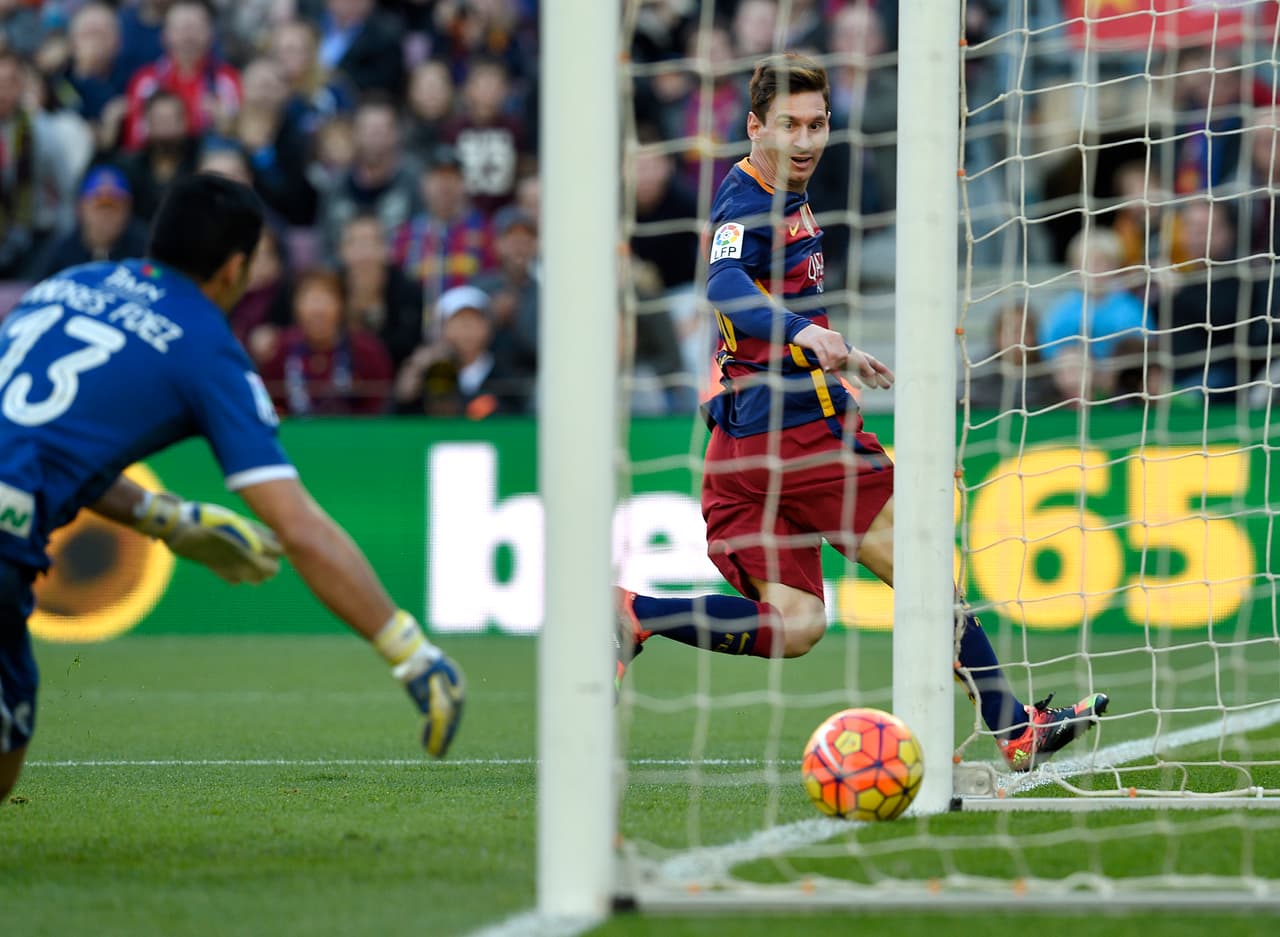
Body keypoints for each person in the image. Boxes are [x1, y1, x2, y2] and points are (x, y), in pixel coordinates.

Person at [613, 54, 1108, 773]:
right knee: (927, 570)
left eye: (818, 124)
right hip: (801, 437)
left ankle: (636, 613)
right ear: (755, 126)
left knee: (798, 624)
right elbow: (723, 281)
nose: (807, 141)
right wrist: (801, 334)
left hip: (743, 451)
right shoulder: (751, 200)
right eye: (790, 126)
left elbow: (765, 301)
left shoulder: (776, 189)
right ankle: (1013, 727)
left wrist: (831, 350)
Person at [0, 173, 464, 802]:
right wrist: (410, 651)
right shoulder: (204, 347)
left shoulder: (66, 283)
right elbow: (298, 528)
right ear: (236, 267)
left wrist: (164, 518)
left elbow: (40, 446)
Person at [30, 164, 149, 280]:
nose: (106, 216)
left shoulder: (143, 250)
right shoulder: (60, 251)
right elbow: (38, 288)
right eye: (99, 206)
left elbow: (157, 275)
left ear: (128, 210)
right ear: (80, 209)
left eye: (114, 207)